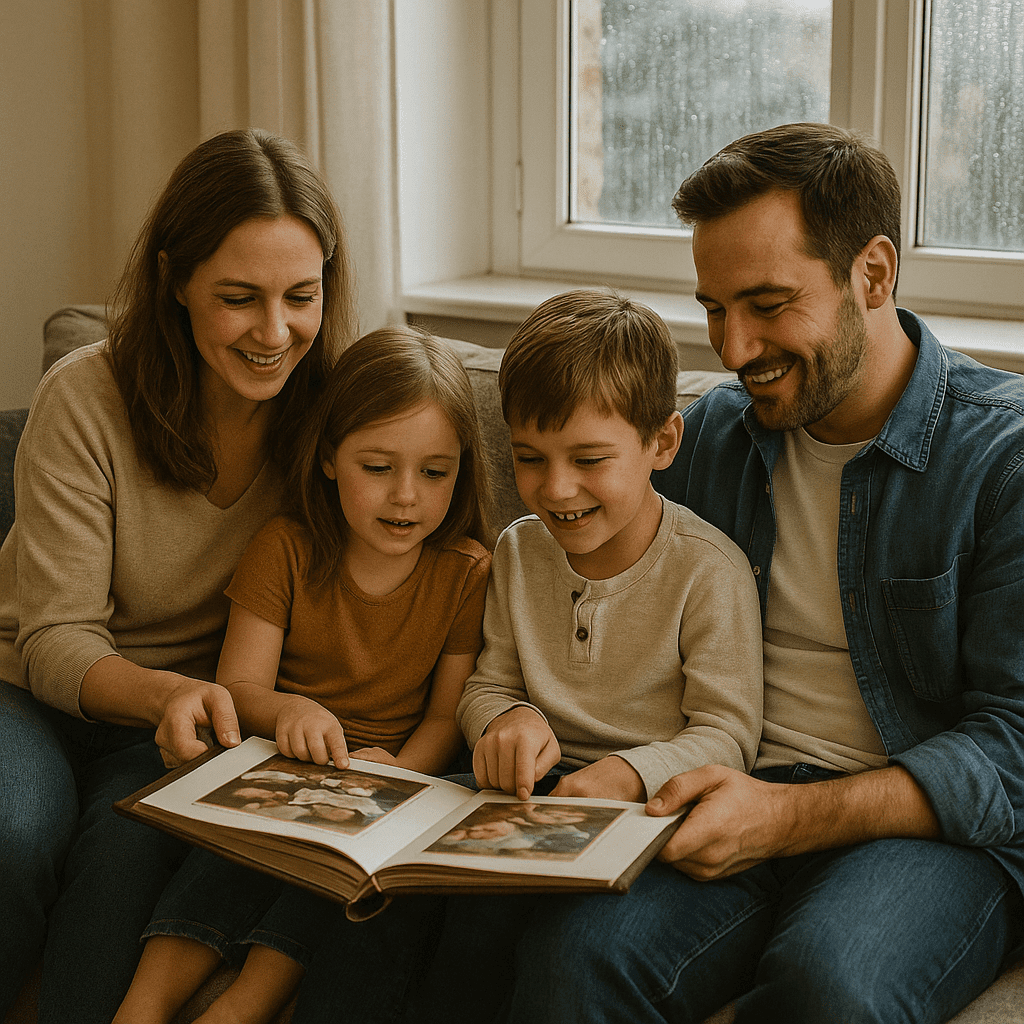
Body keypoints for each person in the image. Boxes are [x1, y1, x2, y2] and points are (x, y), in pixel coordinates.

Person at [496, 122, 1024, 1024]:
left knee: (835, 986)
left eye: (769, 304)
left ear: (874, 273)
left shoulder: (1001, 461)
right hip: (713, 786)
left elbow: (1013, 751)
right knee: (572, 959)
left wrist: (784, 820)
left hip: (918, 835)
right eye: (713, 308)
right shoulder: (707, 441)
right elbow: (568, 557)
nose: (734, 349)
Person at [0, 127, 356, 1023]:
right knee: (12, 836)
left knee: (128, 856)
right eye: (239, 298)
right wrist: (167, 697)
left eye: (300, 297)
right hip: (32, 689)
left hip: (194, 721)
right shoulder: (87, 396)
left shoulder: (335, 415)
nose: (276, 333)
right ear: (175, 280)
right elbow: (54, 638)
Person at [399, 288, 765, 1023]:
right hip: (531, 800)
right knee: (439, 919)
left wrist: (630, 773)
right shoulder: (518, 550)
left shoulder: (707, 570)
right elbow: (487, 683)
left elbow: (728, 734)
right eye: (529, 458)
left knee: (558, 954)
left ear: (663, 443)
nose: (555, 489)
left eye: (589, 459)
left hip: (647, 815)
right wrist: (510, 721)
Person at [113, 325, 493, 1024]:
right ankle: (140, 1008)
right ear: (327, 458)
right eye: (378, 467)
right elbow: (241, 688)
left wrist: (400, 777)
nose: (407, 496)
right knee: (224, 861)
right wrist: (290, 712)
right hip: (274, 769)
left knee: (332, 882)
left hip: (386, 785)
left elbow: (447, 716)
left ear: (462, 470)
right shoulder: (285, 547)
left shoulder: (467, 572)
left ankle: (239, 1010)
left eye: (435, 472)